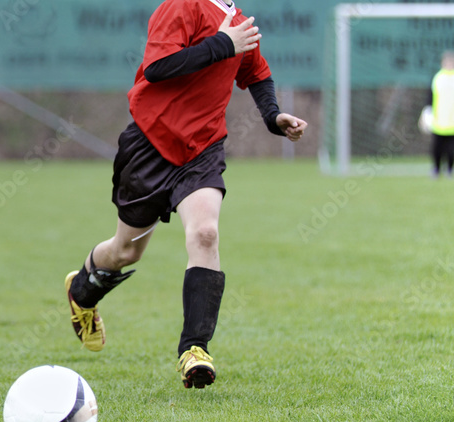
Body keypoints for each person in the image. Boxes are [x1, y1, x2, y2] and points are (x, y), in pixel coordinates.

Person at [63, 0, 307, 389]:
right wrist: (222, 44)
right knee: (126, 251)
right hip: (150, 143)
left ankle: (195, 350)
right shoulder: (181, 6)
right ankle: (81, 291)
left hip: (203, 149)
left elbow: (257, 74)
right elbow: (158, 68)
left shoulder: (239, 21)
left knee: (205, 233)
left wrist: (273, 116)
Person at [429, 50, 454, 178]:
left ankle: (450, 169)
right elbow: (430, 97)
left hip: (452, 123)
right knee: (437, 148)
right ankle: (436, 169)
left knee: (451, 149)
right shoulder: (438, 78)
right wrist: (428, 112)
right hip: (439, 121)